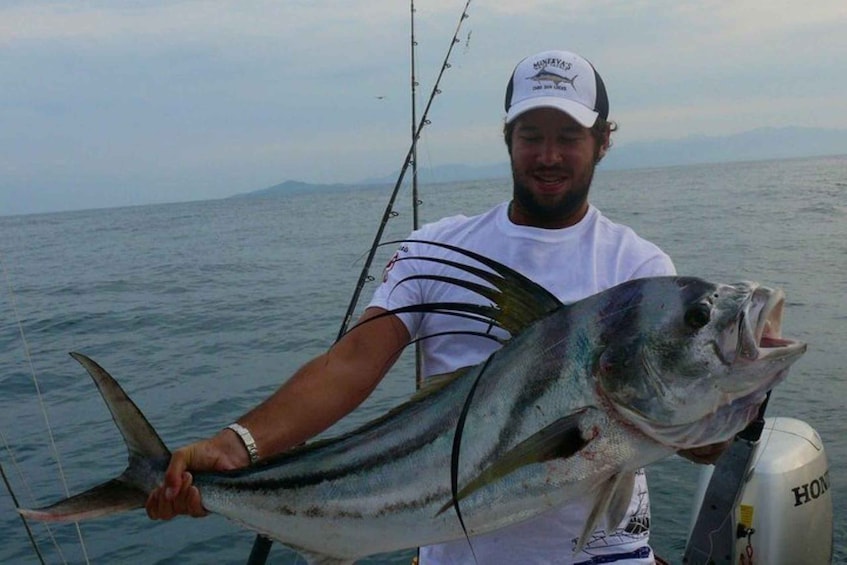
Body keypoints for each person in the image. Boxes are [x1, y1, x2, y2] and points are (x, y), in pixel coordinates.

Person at [147, 49, 725, 564]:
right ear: (507, 139)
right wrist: (236, 445)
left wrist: (725, 410)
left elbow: (693, 436)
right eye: (531, 135)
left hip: (606, 552)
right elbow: (350, 364)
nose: (548, 155)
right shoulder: (438, 249)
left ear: (602, 141)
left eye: (568, 136)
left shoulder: (639, 268)